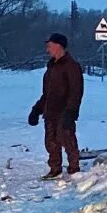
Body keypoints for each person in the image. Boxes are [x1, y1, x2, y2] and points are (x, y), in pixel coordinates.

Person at [27, 33, 83, 179]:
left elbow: (76, 92)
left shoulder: (71, 66)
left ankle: (74, 169)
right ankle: (55, 168)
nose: (47, 50)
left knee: (67, 140)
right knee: (50, 143)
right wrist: (36, 110)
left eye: (49, 46)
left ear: (58, 46)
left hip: (64, 112)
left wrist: (71, 111)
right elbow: (47, 94)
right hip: (50, 112)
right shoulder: (51, 67)